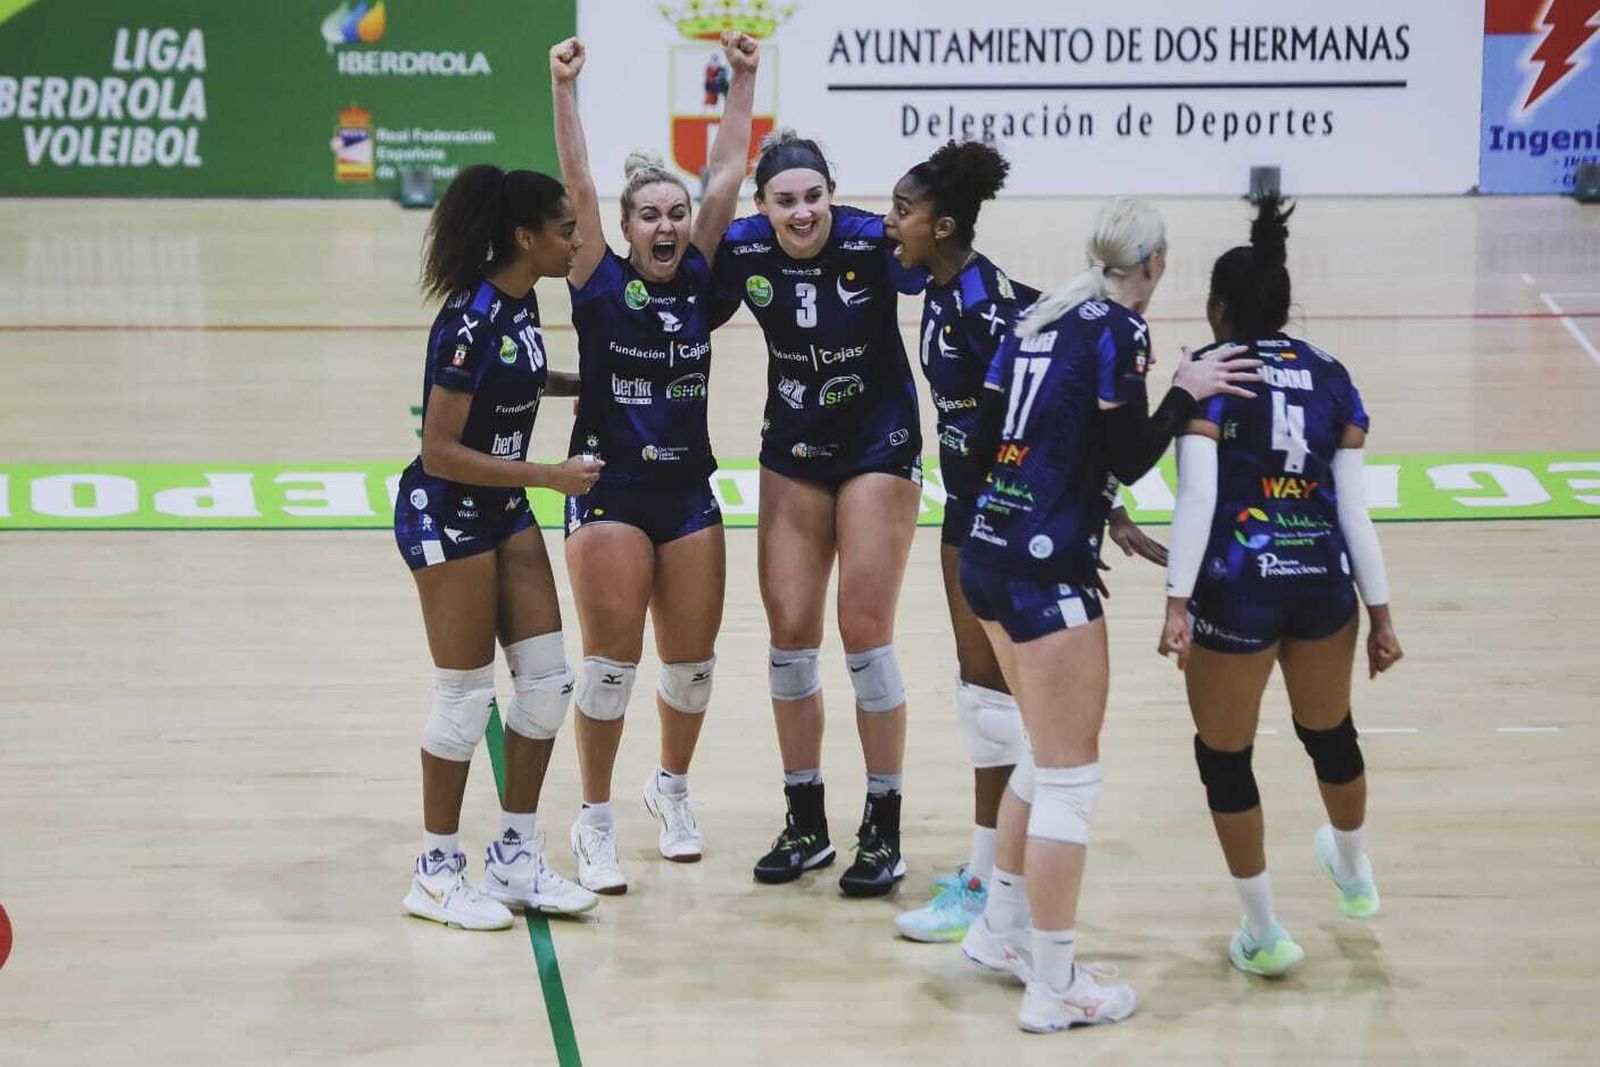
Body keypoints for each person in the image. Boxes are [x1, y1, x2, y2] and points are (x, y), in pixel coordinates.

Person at [954, 198, 1261, 1031]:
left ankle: (1001, 931)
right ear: (1155, 264)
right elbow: (1131, 448)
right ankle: (1055, 986)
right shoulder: (1119, 330)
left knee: (1039, 751)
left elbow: (982, 444)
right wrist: (1185, 391)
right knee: (1070, 779)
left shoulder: (1036, 316)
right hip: (1042, 567)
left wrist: (1095, 505)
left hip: (987, 548)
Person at [882, 142, 1166, 942]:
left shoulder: (980, 303)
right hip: (973, 508)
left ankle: (986, 885)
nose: (887, 222)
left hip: (1003, 520)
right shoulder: (941, 286)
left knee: (996, 708)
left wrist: (1100, 505)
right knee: (985, 704)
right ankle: (989, 873)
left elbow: (1058, 409)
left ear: (940, 225)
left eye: (901, 211)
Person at [1158, 195, 1404, 977]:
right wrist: (1383, 615)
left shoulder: (1210, 372)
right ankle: (1356, 869)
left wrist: (1175, 601)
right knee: (1330, 735)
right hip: (1325, 588)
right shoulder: (1332, 376)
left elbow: (1197, 499)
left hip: (1236, 587)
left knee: (1226, 760)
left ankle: (1264, 932)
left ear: (1216, 309)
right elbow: (1355, 511)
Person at [548, 32, 757, 894]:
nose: (668, 224)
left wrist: (744, 79)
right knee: (608, 666)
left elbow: (728, 177)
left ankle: (669, 789)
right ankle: (592, 817)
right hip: (609, 493)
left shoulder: (698, 281)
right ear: (624, 228)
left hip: (686, 496)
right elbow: (577, 183)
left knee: (692, 666)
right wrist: (562, 90)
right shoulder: (596, 279)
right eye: (651, 215)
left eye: (676, 214)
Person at [712, 129, 927, 897]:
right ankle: (805, 820)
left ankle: (885, 825)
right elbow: (686, 297)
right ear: (761, 206)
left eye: (813, 197)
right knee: (789, 637)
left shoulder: (873, 242)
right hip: (794, 448)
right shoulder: (743, 249)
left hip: (878, 444)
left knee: (864, 632)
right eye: (784, 200)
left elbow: (934, 257)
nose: (801, 214)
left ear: (832, 193)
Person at [394, 163, 606, 929]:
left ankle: (515, 855)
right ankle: (437, 869)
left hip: (502, 508)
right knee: (464, 697)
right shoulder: (470, 319)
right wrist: (547, 474)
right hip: (447, 512)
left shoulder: (522, 306)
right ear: (526, 238)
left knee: (547, 684)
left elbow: (515, 375)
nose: (576, 240)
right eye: (565, 230)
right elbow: (441, 449)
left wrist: (585, 382)